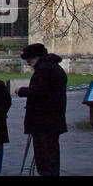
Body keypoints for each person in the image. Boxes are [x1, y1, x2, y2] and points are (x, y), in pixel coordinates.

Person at [17, 42, 68, 176]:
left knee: (44, 157)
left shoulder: (44, 70)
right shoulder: (53, 67)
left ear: (36, 57)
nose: (28, 63)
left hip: (44, 121)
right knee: (51, 154)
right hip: (52, 119)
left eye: (29, 59)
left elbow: (40, 91)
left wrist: (21, 90)